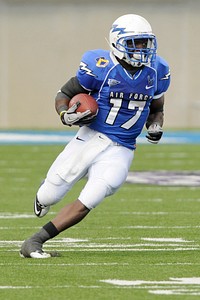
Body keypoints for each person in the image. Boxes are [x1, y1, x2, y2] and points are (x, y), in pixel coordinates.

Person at [20, 14, 170, 258]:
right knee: (52, 192)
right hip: (91, 136)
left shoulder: (157, 71)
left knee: (93, 196)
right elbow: (65, 93)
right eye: (136, 43)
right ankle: (43, 196)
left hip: (122, 148)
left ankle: (35, 241)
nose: (142, 49)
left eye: (145, 43)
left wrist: (155, 126)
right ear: (117, 42)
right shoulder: (100, 65)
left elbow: (157, 108)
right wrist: (64, 115)